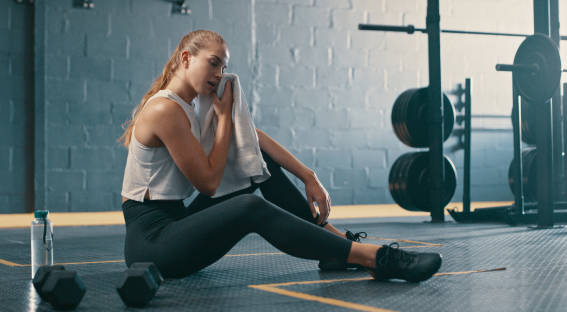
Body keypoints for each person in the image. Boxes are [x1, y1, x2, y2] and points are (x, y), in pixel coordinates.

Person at [118, 30, 442, 281]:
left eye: (224, 66)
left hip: (179, 223)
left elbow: (253, 141)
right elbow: (208, 183)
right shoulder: (165, 109)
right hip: (154, 246)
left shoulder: (194, 105)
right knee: (249, 206)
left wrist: (308, 176)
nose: (219, 74)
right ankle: (372, 257)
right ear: (187, 58)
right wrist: (224, 117)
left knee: (255, 164)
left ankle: (334, 246)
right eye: (213, 63)